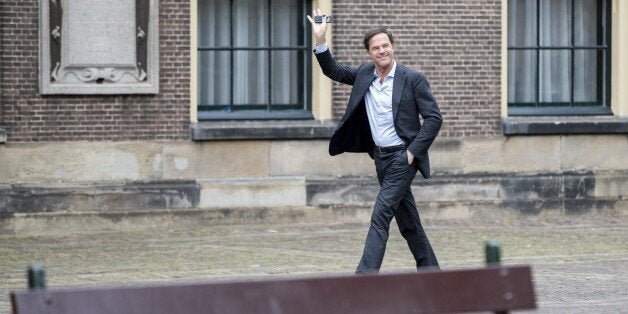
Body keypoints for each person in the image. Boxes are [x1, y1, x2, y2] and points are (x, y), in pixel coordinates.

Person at [307, 9, 442, 274]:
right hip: (380, 158)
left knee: (380, 216)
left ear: (393, 47)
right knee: (408, 221)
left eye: (385, 46)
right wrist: (321, 39)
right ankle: (432, 274)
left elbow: (434, 118)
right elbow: (332, 70)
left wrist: (413, 153)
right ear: (369, 53)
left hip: (403, 158)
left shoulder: (412, 79)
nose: (381, 51)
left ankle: (364, 280)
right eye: (375, 48)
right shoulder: (364, 75)